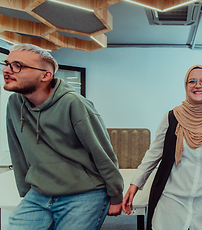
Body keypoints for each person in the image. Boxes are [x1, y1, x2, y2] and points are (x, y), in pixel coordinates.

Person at [2, 44, 124, 230]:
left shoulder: (73, 103)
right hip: (39, 192)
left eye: (17, 65)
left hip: (84, 192)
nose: (6, 70)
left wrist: (116, 196)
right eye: (7, 64)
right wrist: (25, 192)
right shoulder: (14, 103)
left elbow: (102, 154)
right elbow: (17, 152)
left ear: (45, 75)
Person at [122, 64, 202, 230]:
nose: (198, 85)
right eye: (192, 81)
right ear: (186, 85)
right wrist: (135, 184)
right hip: (173, 199)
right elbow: (153, 154)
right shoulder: (173, 117)